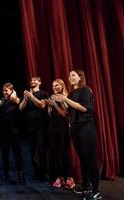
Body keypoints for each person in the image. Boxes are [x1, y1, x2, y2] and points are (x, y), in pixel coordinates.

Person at [51, 69, 101, 200]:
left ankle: (96, 190)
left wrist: (65, 99)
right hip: (75, 129)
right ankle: (86, 186)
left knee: (90, 159)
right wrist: (59, 103)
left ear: (80, 77)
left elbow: (85, 108)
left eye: (73, 75)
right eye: (69, 75)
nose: (70, 77)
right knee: (83, 159)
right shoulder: (72, 93)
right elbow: (68, 114)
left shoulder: (86, 90)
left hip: (86, 129)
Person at [45, 79, 75, 189]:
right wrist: (49, 106)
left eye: (56, 85)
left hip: (63, 128)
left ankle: (69, 178)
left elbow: (66, 115)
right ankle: (59, 177)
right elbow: (50, 114)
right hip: (52, 127)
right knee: (54, 153)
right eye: (53, 86)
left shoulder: (65, 97)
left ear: (62, 86)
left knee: (64, 153)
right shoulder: (52, 97)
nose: (54, 87)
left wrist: (55, 104)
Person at [19, 76, 49, 181]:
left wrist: (31, 96)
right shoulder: (27, 95)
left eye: (35, 80)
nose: (32, 81)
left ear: (39, 82)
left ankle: (44, 173)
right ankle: (37, 173)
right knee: (32, 151)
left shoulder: (43, 93)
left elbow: (41, 105)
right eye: (31, 80)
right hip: (29, 127)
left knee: (41, 150)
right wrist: (25, 99)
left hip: (40, 127)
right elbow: (20, 108)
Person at [0, 83, 26, 185]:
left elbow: (18, 102)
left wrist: (14, 95)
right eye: (3, 90)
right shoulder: (1, 101)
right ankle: (6, 173)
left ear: (12, 90)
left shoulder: (16, 99)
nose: (4, 92)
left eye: (7, 90)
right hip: (3, 131)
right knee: (4, 154)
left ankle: (21, 175)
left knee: (17, 153)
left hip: (14, 131)